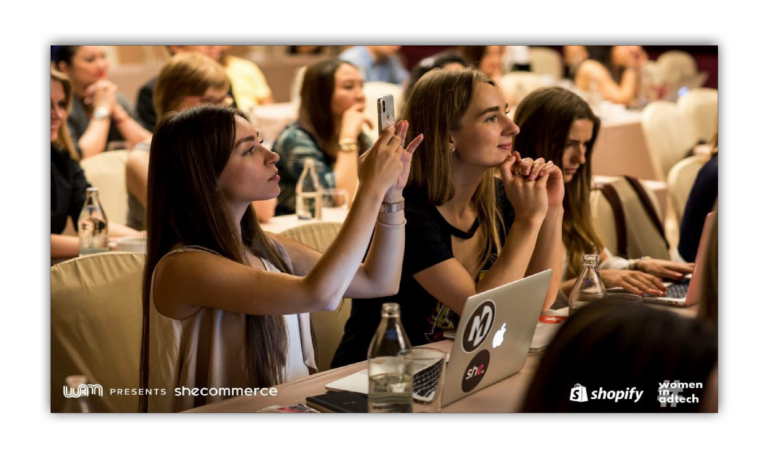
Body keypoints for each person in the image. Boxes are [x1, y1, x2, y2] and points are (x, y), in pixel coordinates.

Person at [138, 105, 423, 412]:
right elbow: (320, 294)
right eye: (249, 150)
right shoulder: (184, 266)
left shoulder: (266, 247)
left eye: (260, 141)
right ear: (204, 174)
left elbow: (378, 281)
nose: (271, 155)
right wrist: (369, 187)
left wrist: (392, 194)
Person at [332, 68, 564, 367]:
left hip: (451, 368)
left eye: (506, 113)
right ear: (448, 136)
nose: (513, 127)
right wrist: (528, 221)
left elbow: (541, 302)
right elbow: (481, 313)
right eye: (492, 118)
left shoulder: (501, 198)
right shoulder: (407, 214)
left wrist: (552, 208)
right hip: (376, 381)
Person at [513, 87, 694, 298]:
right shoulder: (513, 203)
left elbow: (597, 257)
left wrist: (638, 265)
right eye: (569, 145)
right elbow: (525, 298)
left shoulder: (570, 194)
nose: (580, 158)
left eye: (585, 145)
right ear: (535, 139)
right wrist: (596, 279)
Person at [50, 67, 138, 260]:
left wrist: (139, 237)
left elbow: (91, 218)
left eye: (61, 104)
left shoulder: (61, 156)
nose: (58, 114)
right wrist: (113, 245)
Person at [272, 59, 372, 215]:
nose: (360, 95)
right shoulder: (295, 139)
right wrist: (348, 138)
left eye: (361, 86)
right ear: (321, 94)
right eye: (349, 87)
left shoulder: (355, 132)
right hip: (298, 231)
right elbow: (336, 198)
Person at [52, 46, 151, 158]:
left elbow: (151, 147)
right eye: (90, 59)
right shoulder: (60, 107)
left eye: (103, 57)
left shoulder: (117, 99)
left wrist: (116, 109)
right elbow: (78, 156)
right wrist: (102, 110)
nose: (101, 65)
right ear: (65, 68)